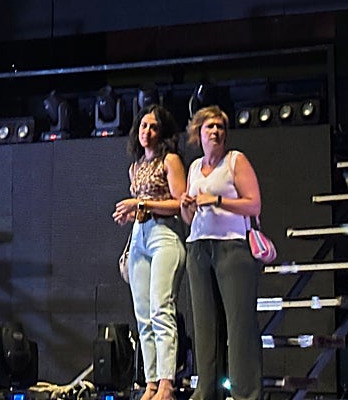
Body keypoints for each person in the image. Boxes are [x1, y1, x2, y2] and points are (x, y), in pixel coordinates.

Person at [179, 106, 263, 400]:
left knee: (239, 327)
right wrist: (186, 207)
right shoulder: (193, 168)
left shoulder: (234, 160)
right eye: (209, 127)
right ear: (198, 133)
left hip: (231, 247)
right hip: (198, 247)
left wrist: (215, 199)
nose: (215, 132)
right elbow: (190, 220)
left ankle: (246, 394)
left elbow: (253, 205)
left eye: (220, 127)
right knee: (205, 328)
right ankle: (207, 391)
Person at [112, 106, 185, 400]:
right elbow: (140, 207)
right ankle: (151, 382)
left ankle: (167, 382)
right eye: (143, 126)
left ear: (163, 132)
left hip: (164, 235)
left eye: (153, 127)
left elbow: (180, 203)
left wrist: (138, 204)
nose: (147, 132)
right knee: (142, 315)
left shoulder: (170, 161)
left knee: (160, 310)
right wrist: (131, 214)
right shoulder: (136, 166)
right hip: (140, 236)